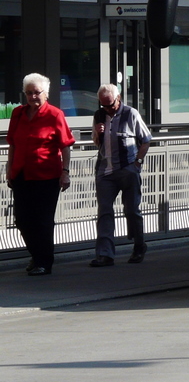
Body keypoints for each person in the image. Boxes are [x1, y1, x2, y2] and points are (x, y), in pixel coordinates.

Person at [5, 73, 75, 276]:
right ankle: (36, 255)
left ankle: (43, 262)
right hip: (21, 174)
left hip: (47, 176)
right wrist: (9, 168)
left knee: (42, 221)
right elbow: (13, 144)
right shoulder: (18, 113)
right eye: (28, 93)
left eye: (36, 92)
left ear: (46, 93)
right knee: (22, 219)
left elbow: (65, 146)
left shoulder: (55, 115)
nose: (32, 97)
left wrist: (65, 172)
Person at [90, 83, 152, 267]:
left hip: (127, 168)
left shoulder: (130, 113)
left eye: (110, 105)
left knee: (131, 210)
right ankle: (105, 254)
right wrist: (97, 133)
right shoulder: (99, 115)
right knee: (104, 211)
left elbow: (146, 139)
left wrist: (137, 163)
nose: (107, 109)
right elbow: (97, 143)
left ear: (118, 98)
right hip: (105, 171)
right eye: (103, 105)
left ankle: (139, 245)